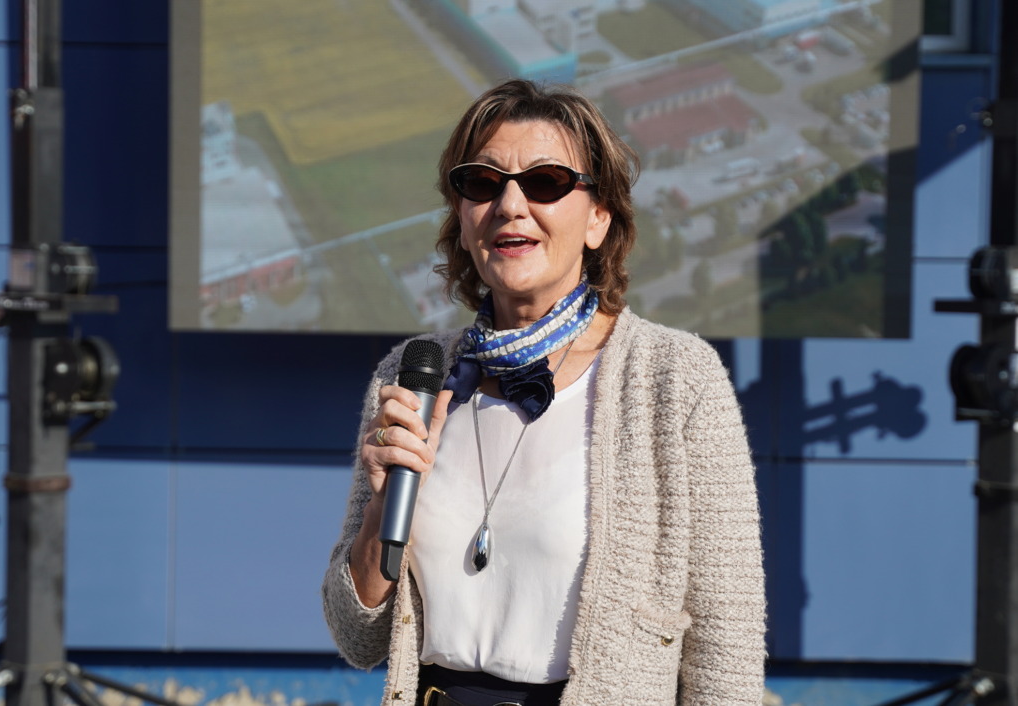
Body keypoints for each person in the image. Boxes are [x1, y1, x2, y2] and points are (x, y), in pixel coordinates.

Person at [322, 78, 765, 706]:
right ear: (462, 218)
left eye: (546, 182)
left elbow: (728, 656)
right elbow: (356, 637)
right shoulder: (412, 374)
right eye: (482, 182)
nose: (510, 204)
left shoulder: (676, 382)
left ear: (599, 217)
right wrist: (381, 510)